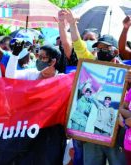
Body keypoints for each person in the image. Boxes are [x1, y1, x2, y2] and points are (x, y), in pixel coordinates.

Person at [62, 9, 126, 165]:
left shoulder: (126, 72)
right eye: (99, 48)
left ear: (115, 51)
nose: (101, 51)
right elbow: (78, 46)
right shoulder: (91, 63)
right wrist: (71, 24)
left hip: (117, 131)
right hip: (92, 131)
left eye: (105, 48)